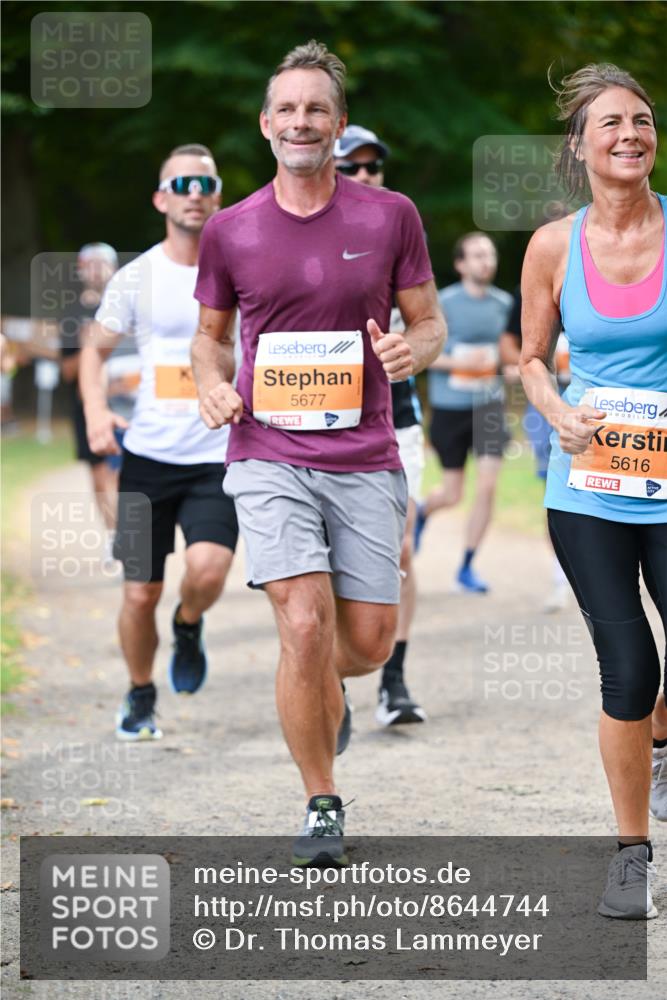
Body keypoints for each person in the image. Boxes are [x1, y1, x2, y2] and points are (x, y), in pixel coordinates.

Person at [192, 41, 445, 863]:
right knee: (302, 623)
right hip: (265, 449)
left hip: (365, 454)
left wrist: (417, 350)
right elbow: (209, 339)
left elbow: (429, 321)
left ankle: (320, 675)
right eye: (287, 109)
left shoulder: (390, 216)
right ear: (266, 125)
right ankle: (322, 800)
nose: (301, 121)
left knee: (365, 643)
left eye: (317, 109)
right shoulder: (230, 231)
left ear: (337, 126)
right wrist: (212, 385)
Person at [520, 64, 667, 919]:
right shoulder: (551, 245)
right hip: (591, 487)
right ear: (580, 147)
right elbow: (531, 358)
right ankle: (630, 857)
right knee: (628, 667)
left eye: (642, 120)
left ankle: (661, 738)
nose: (629, 134)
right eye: (609, 122)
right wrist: (555, 410)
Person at [80, 144, 238, 740]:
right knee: (140, 592)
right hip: (148, 455)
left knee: (208, 569)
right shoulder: (137, 276)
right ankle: (141, 692)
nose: (195, 192)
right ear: (161, 197)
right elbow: (93, 353)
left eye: (206, 182)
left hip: (216, 453)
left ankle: (191, 621)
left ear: (216, 194)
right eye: (183, 182)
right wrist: (97, 411)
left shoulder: (239, 267)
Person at [334, 124, 426, 726]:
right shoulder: (298, 238)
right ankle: (333, 674)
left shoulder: (398, 232)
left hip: (399, 420)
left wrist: (414, 347)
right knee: (335, 559)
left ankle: (393, 679)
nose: (367, 177)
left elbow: (427, 322)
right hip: (325, 425)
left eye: (375, 167)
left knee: (402, 550)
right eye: (354, 168)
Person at [417, 233, 513, 593]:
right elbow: (424, 354)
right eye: (476, 255)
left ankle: (468, 565)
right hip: (450, 409)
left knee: (487, 488)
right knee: (453, 493)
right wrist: (462, 362)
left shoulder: (504, 305)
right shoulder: (443, 303)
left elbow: (511, 352)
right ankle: (425, 511)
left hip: (489, 408)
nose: (485, 262)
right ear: (460, 264)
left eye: (489, 255)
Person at [500, 287, 571, 612]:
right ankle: (560, 581)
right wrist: (536, 370)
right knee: (554, 492)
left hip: (609, 403)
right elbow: (509, 346)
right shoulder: (531, 289)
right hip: (547, 405)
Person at [60, 243, 122, 561]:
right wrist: (87, 347)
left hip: (128, 404)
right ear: (81, 270)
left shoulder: (127, 305)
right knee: (100, 476)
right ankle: (115, 538)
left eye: (103, 263)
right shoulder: (72, 315)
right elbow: (67, 371)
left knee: (126, 474)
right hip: (87, 406)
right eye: (91, 264)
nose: (97, 270)